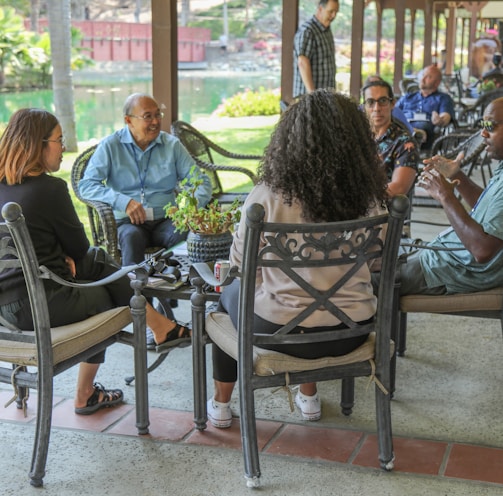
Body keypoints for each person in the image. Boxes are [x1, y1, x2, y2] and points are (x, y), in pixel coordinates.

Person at [206, 89, 388, 428]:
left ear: (290, 138)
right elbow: (377, 264)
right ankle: (309, 397)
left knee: (225, 299)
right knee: (313, 293)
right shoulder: (371, 201)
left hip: (282, 333)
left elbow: (240, 267)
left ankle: (220, 404)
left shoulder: (266, 198)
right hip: (353, 330)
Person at [0, 109, 191, 415]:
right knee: (110, 292)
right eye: (59, 140)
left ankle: (161, 326)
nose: (63, 146)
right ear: (38, 144)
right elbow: (79, 247)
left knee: (96, 264)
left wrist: (64, 257)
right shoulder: (49, 190)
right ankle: (86, 392)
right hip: (38, 305)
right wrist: (68, 257)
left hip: (4, 307)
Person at [79, 92, 212, 267]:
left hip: (165, 220)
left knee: (184, 233)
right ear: (129, 120)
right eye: (148, 116)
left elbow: (201, 181)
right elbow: (87, 185)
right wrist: (122, 201)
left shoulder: (172, 146)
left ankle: (173, 289)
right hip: (127, 222)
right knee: (131, 237)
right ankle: (135, 291)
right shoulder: (110, 146)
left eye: (158, 115)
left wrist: (191, 207)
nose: (156, 122)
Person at [397, 97, 503, 297]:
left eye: (490, 125)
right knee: (380, 255)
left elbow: (482, 250)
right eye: (483, 124)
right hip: (447, 256)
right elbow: (490, 211)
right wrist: (456, 175)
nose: (483, 132)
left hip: (455, 271)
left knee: (361, 280)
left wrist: (446, 196)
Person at [362, 78, 419, 198]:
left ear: (392, 104)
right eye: (370, 102)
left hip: (378, 211)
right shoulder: (357, 137)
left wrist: (356, 199)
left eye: (382, 101)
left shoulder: (404, 143)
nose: (377, 108)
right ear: (364, 106)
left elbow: (399, 188)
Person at [396, 64, 455, 150]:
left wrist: (440, 120)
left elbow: (446, 116)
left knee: (422, 126)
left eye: (428, 77)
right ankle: (411, 132)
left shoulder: (443, 98)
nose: (422, 79)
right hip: (403, 125)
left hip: (425, 132)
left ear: (436, 83)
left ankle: (414, 134)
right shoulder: (407, 97)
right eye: (423, 75)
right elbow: (393, 112)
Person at [292, 0, 339, 99]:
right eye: (330, 11)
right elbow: (302, 62)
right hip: (308, 98)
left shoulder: (326, 30)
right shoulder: (308, 31)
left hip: (325, 96)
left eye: (336, 12)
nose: (334, 15)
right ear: (320, 9)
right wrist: (312, 95)